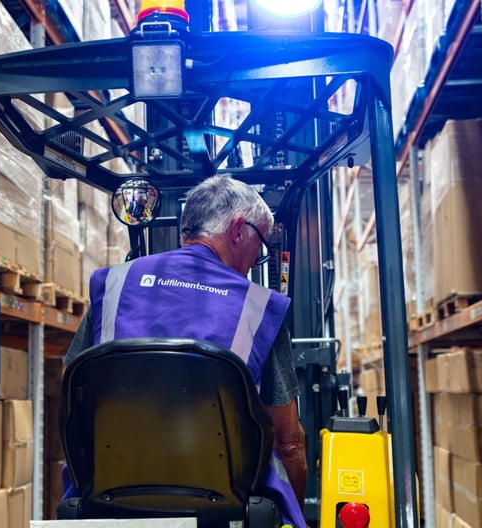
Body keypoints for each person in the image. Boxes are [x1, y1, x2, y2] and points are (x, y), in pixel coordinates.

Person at [62, 175, 307, 527]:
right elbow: (289, 443)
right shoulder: (259, 307)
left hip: (110, 498)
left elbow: (73, 397)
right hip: (226, 509)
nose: (257, 261)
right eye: (261, 244)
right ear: (238, 229)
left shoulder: (115, 284)